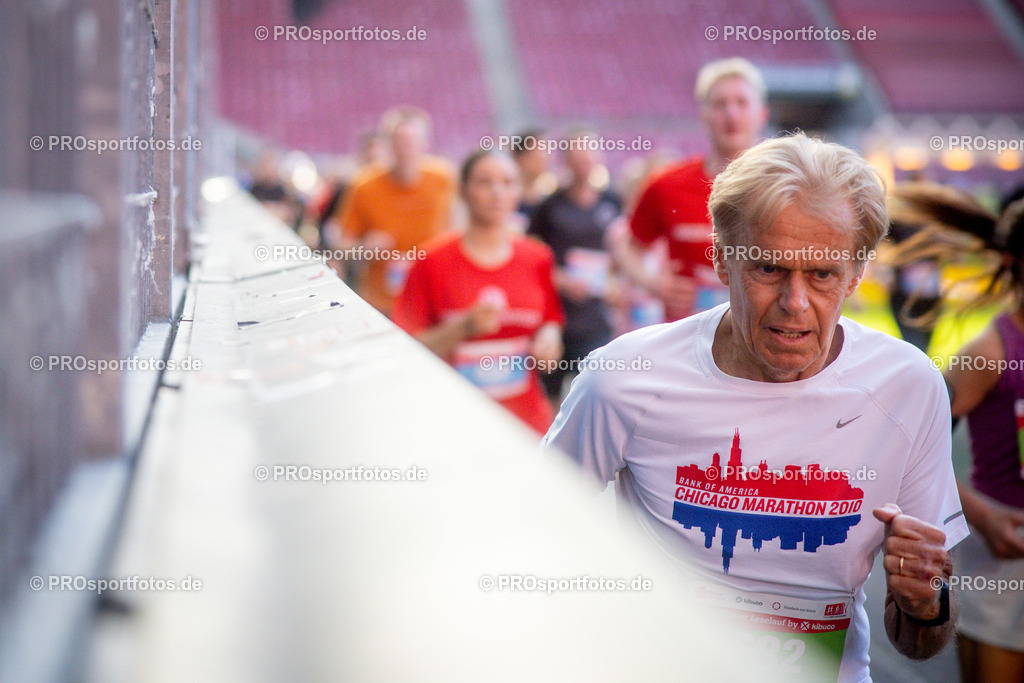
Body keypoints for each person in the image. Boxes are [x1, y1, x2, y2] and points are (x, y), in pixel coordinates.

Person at [543, 133, 968, 682]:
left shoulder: (907, 386)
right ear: (721, 260)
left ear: (857, 274)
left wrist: (925, 601)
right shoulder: (623, 378)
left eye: (822, 275)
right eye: (768, 269)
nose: (795, 304)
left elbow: (919, 643)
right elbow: (533, 536)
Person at [888, 183, 1024, 682]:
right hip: (1004, 567)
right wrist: (983, 515)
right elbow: (909, 449)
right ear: (1014, 264)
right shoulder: (988, 353)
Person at [394, 150, 564, 436]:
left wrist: (550, 339)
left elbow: (550, 320)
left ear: (519, 191)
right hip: (453, 425)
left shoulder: (538, 257)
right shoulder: (430, 260)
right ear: (463, 190)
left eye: (508, 183)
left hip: (527, 425)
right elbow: (406, 348)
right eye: (484, 182)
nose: (497, 192)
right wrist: (462, 328)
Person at [614, 57, 769, 322]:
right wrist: (654, 283)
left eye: (741, 103)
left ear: (761, 114)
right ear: (703, 115)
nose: (731, 114)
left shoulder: (785, 187)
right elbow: (627, 246)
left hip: (762, 339)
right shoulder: (667, 184)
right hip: (687, 342)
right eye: (720, 104)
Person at [528, 129, 623, 400]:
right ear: (565, 161)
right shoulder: (548, 207)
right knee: (550, 396)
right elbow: (532, 256)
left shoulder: (612, 201)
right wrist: (560, 279)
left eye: (588, 155)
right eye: (576, 156)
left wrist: (616, 282)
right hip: (555, 318)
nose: (583, 162)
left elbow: (621, 253)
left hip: (596, 318)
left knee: (596, 393)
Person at [333, 106, 454, 316]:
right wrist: (365, 247)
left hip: (433, 296)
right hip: (383, 302)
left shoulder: (443, 178)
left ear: (425, 143)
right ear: (387, 145)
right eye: (398, 142)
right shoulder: (364, 185)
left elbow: (458, 230)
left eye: (411, 142)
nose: (405, 150)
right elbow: (342, 245)